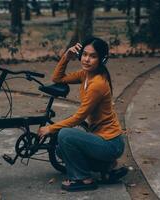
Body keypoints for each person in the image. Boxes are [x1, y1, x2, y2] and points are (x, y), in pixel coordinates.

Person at [38, 37, 127, 191]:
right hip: (101, 139)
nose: (86, 59)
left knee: (65, 134)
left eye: (93, 56)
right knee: (61, 149)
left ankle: (82, 178)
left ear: (102, 59)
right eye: (84, 54)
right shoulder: (85, 75)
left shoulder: (97, 84)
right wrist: (66, 57)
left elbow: (79, 117)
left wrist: (50, 129)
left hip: (111, 143)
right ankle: (106, 167)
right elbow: (58, 78)